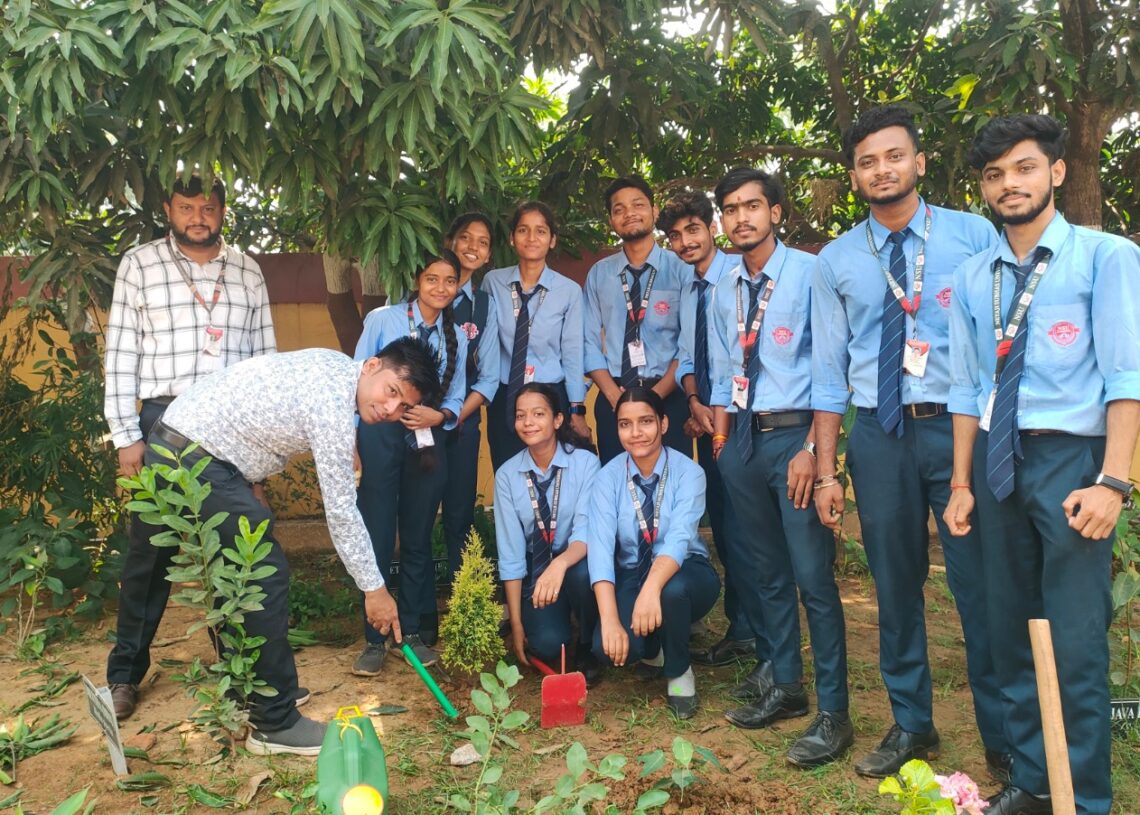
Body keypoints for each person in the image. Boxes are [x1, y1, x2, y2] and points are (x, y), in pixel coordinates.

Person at [946, 114, 1140, 815]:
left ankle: (1083, 795)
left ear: (1055, 172)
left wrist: (1113, 481)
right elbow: (966, 388)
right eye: (995, 174)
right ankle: (1032, 778)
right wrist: (962, 483)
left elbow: (1127, 377)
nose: (1010, 184)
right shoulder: (974, 277)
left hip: (1073, 463)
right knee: (1011, 626)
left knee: (1076, 635)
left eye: (1024, 167)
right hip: (998, 466)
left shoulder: (1106, 256)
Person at [811, 104, 1007, 778]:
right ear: (856, 175)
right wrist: (830, 465)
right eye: (867, 161)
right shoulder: (836, 259)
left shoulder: (974, 235)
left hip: (960, 436)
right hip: (881, 436)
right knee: (895, 585)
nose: (882, 168)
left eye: (894, 155)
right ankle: (912, 724)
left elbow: (1002, 339)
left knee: (979, 585)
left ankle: (1003, 734)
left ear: (919, 162)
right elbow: (828, 371)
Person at [136, 339, 441, 755]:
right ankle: (274, 724)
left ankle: (249, 692)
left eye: (401, 405)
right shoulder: (332, 399)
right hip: (194, 456)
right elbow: (340, 510)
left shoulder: (336, 371)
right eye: (391, 391)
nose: (390, 409)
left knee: (238, 579)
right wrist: (375, 589)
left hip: (190, 448)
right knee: (263, 575)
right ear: (372, 365)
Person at [104, 175, 277, 721]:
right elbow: (119, 352)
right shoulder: (140, 264)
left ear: (223, 212)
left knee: (232, 548)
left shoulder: (247, 269)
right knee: (149, 554)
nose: (197, 216)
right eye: (186, 207)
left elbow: (265, 360)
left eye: (207, 207)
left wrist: (259, 455)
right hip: (161, 421)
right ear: (168, 210)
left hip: (230, 424)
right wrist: (126, 436)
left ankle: (238, 674)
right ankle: (125, 674)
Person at [707, 168, 851, 768]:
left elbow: (829, 368)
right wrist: (720, 439)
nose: (742, 217)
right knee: (763, 571)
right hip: (740, 440)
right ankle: (787, 689)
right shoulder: (722, 288)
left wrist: (818, 456)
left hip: (794, 439)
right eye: (732, 209)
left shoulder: (810, 272)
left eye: (752, 206)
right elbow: (722, 370)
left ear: (776, 212)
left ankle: (834, 714)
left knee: (812, 578)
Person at [352, 252, 469, 673]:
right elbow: (357, 376)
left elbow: (458, 391)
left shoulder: (458, 334)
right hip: (379, 433)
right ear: (417, 280)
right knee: (378, 533)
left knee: (418, 534)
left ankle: (415, 633)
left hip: (427, 438)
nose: (441, 287)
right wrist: (352, 438)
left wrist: (439, 415)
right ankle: (374, 639)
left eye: (450, 281)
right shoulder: (383, 320)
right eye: (432, 278)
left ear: (458, 286)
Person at [657, 191, 758, 666]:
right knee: (723, 523)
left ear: (712, 228)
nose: (684, 242)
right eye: (675, 236)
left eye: (693, 230)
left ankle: (757, 630)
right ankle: (742, 629)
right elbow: (691, 357)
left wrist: (715, 413)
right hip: (708, 419)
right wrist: (695, 400)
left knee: (745, 527)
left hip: (741, 422)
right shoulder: (687, 289)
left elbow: (741, 359)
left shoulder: (737, 280)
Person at [587, 388, 721, 718]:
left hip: (686, 571)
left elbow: (678, 540)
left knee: (671, 592)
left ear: (663, 423)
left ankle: (678, 671)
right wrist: (609, 621)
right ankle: (654, 649)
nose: (636, 433)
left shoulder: (690, 473)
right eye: (625, 424)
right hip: (633, 571)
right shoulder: (607, 478)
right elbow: (601, 549)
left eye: (646, 421)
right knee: (608, 649)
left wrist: (650, 591)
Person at [494, 383, 602, 685]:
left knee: (583, 576)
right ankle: (559, 627)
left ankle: (587, 644)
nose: (528, 422)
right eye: (520, 415)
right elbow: (511, 552)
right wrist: (516, 623)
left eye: (538, 414)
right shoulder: (506, 475)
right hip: (538, 569)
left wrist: (560, 564)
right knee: (546, 645)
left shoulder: (585, 464)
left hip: (576, 560)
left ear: (557, 420)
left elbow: (588, 531)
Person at [583, 177, 690, 463]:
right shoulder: (599, 274)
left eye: (638, 205)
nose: (629, 213)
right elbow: (587, 341)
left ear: (655, 211)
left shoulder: (681, 269)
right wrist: (613, 395)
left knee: (670, 486)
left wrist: (655, 396)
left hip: (669, 396)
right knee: (617, 484)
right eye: (619, 209)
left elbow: (688, 343)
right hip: (614, 396)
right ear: (611, 220)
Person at [483, 202, 589, 469]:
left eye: (541, 231)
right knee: (507, 469)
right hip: (506, 394)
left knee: (555, 473)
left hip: (551, 393)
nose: (532, 238)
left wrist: (576, 410)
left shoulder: (569, 291)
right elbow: (485, 343)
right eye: (523, 230)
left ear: (552, 240)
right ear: (511, 238)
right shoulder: (493, 282)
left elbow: (574, 353)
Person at [438, 213, 500, 605]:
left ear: (489, 254)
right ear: (450, 242)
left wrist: (451, 416)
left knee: (459, 513)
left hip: (461, 423)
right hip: (413, 425)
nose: (473, 246)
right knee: (416, 513)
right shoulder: (417, 294)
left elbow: (488, 377)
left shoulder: (485, 306)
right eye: (465, 238)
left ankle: (464, 602)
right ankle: (418, 608)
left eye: (482, 241)